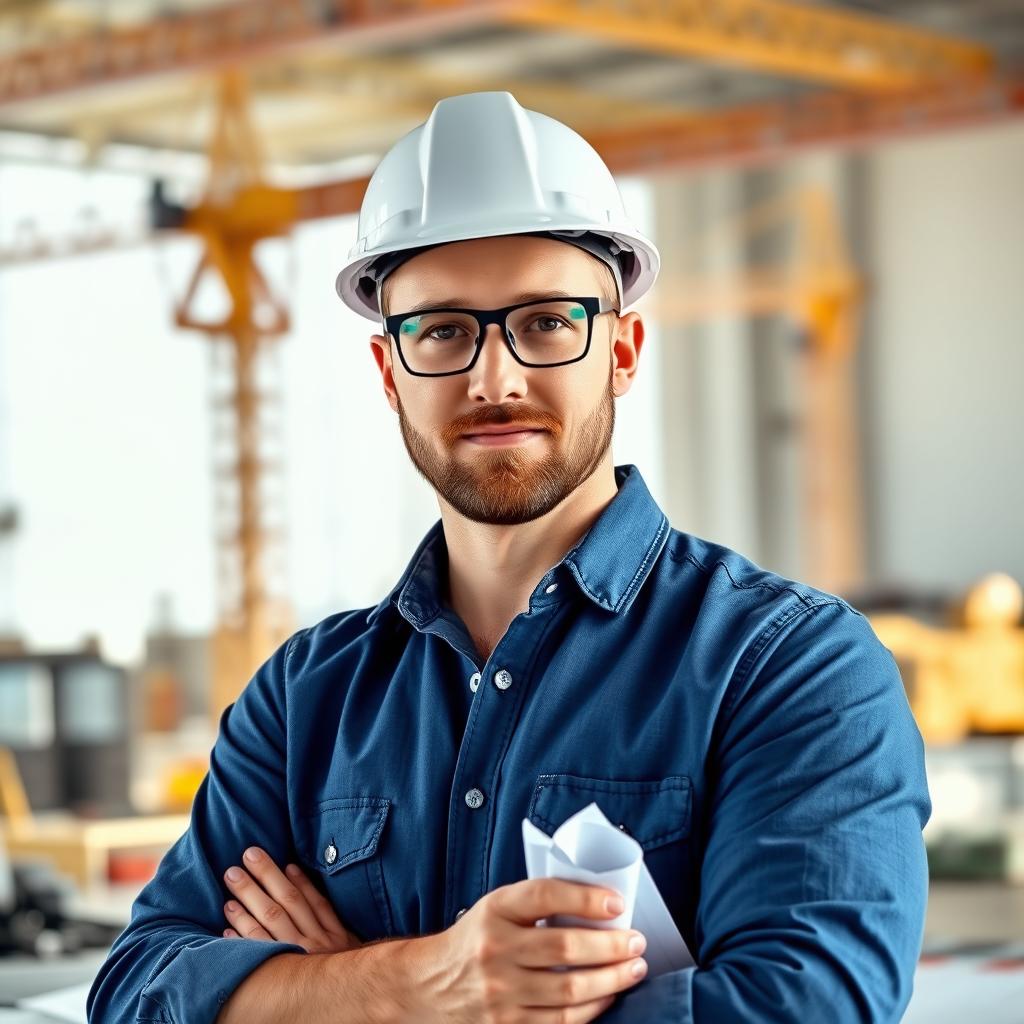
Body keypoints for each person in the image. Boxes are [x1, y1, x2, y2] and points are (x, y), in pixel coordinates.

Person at [86, 91, 931, 1024]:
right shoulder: (304, 701)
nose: (495, 378)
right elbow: (136, 993)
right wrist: (416, 982)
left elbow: (805, 1013)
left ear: (622, 349)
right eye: (442, 330)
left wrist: (332, 992)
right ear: (387, 373)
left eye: (545, 321)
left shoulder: (789, 667)